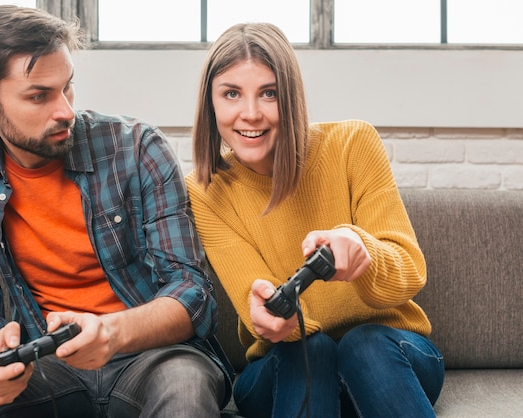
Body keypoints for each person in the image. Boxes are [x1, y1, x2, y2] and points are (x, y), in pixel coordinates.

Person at [0, 5, 233, 417]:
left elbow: (191, 290)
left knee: (186, 385)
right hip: (46, 368)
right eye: (39, 96)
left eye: (68, 87)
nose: (64, 109)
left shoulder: (136, 148)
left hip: (152, 359)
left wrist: (112, 333)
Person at [185, 22, 445, 418]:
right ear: (211, 103)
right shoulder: (206, 191)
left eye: (268, 93)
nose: (250, 114)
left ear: (290, 97)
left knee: (363, 343)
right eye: (232, 93)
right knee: (312, 348)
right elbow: (253, 302)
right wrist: (268, 318)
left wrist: (362, 252)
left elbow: (410, 272)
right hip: (284, 366)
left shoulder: (354, 144)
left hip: (391, 357)